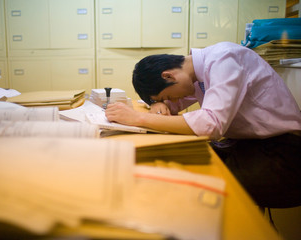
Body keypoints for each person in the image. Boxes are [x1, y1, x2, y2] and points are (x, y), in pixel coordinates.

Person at [105, 41, 301, 208]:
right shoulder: (196, 74)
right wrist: (159, 102)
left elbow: (211, 125)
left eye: (167, 95)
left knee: (197, 184)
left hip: (284, 154)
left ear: (168, 76)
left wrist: (138, 119)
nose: (173, 99)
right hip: (249, 145)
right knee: (176, 163)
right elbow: (175, 104)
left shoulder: (224, 58)